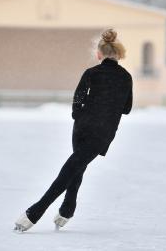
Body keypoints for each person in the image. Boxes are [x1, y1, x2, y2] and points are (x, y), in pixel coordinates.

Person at [14, 28, 133, 232]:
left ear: (99, 54)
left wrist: (80, 114)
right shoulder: (126, 77)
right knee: (75, 167)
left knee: (75, 166)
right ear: (119, 54)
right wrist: (110, 106)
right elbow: (127, 108)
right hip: (103, 132)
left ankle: (64, 210)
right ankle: (39, 212)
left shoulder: (91, 73)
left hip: (82, 128)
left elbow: (77, 99)